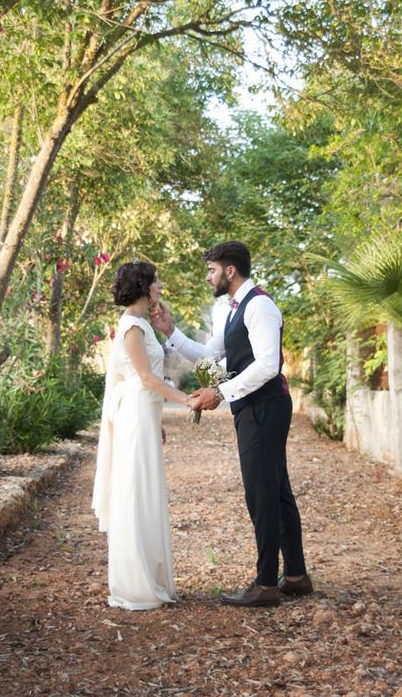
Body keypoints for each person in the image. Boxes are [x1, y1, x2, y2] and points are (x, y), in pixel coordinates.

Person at [151, 241, 312, 607]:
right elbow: (211, 355)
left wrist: (220, 392)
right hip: (255, 407)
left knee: (262, 494)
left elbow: (268, 364)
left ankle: (266, 584)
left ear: (230, 270)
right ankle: (296, 576)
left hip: (266, 407)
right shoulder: (234, 309)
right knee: (277, 490)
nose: (209, 277)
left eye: (212, 270)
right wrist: (170, 331)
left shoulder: (260, 307)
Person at [92, 261, 194, 610]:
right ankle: (135, 584)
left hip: (145, 416)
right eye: (156, 282)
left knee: (146, 490)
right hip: (134, 417)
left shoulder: (144, 325)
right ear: (144, 287)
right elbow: (146, 378)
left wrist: (159, 419)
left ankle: (151, 575)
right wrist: (186, 399)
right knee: (135, 493)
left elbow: (142, 382)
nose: (160, 287)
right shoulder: (132, 327)